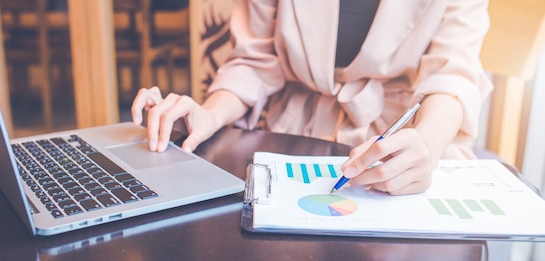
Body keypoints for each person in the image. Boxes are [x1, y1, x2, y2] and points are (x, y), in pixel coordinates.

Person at [131, 0, 493, 195]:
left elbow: (452, 78)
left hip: (400, 135)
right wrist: (209, 115)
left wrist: (426, 146)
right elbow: (254, 61)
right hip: (290, 130)